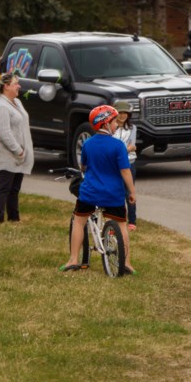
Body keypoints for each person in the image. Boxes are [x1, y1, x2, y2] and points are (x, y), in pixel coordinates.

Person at [60, 105, 137, 274]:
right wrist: (132, 192)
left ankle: (73, 259)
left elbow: (84, 167)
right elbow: (125, 171)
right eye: (114, 121)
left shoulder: (87, 144)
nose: (117, 124)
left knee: (79, 221)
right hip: (113, 194)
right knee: (122, 225)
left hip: (90, 193)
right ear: (105, 124)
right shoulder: (118, 146)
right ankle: (126, 262)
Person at [0, 71, 34, 223]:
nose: (19, 86)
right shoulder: (1, 107)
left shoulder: (17, 102)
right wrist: (18, 150)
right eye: (15, 84)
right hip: (5, 154)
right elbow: (4, 133)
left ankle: (14, 219)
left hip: (17, 156)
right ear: (6, 87)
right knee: (4, 189)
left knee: (14, 190)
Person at [112, 101, 138, 231]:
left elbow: (132, 146)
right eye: (120, 113)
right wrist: (124, 149)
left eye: (125, 113)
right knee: (116, 192)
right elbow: (113, 147)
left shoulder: (132, 128)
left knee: (129, 191)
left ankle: (132, 220)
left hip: (129, 163)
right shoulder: (111, 128)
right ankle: (117, 217)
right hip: (114, 164)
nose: (122, 116)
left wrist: (121, 149)